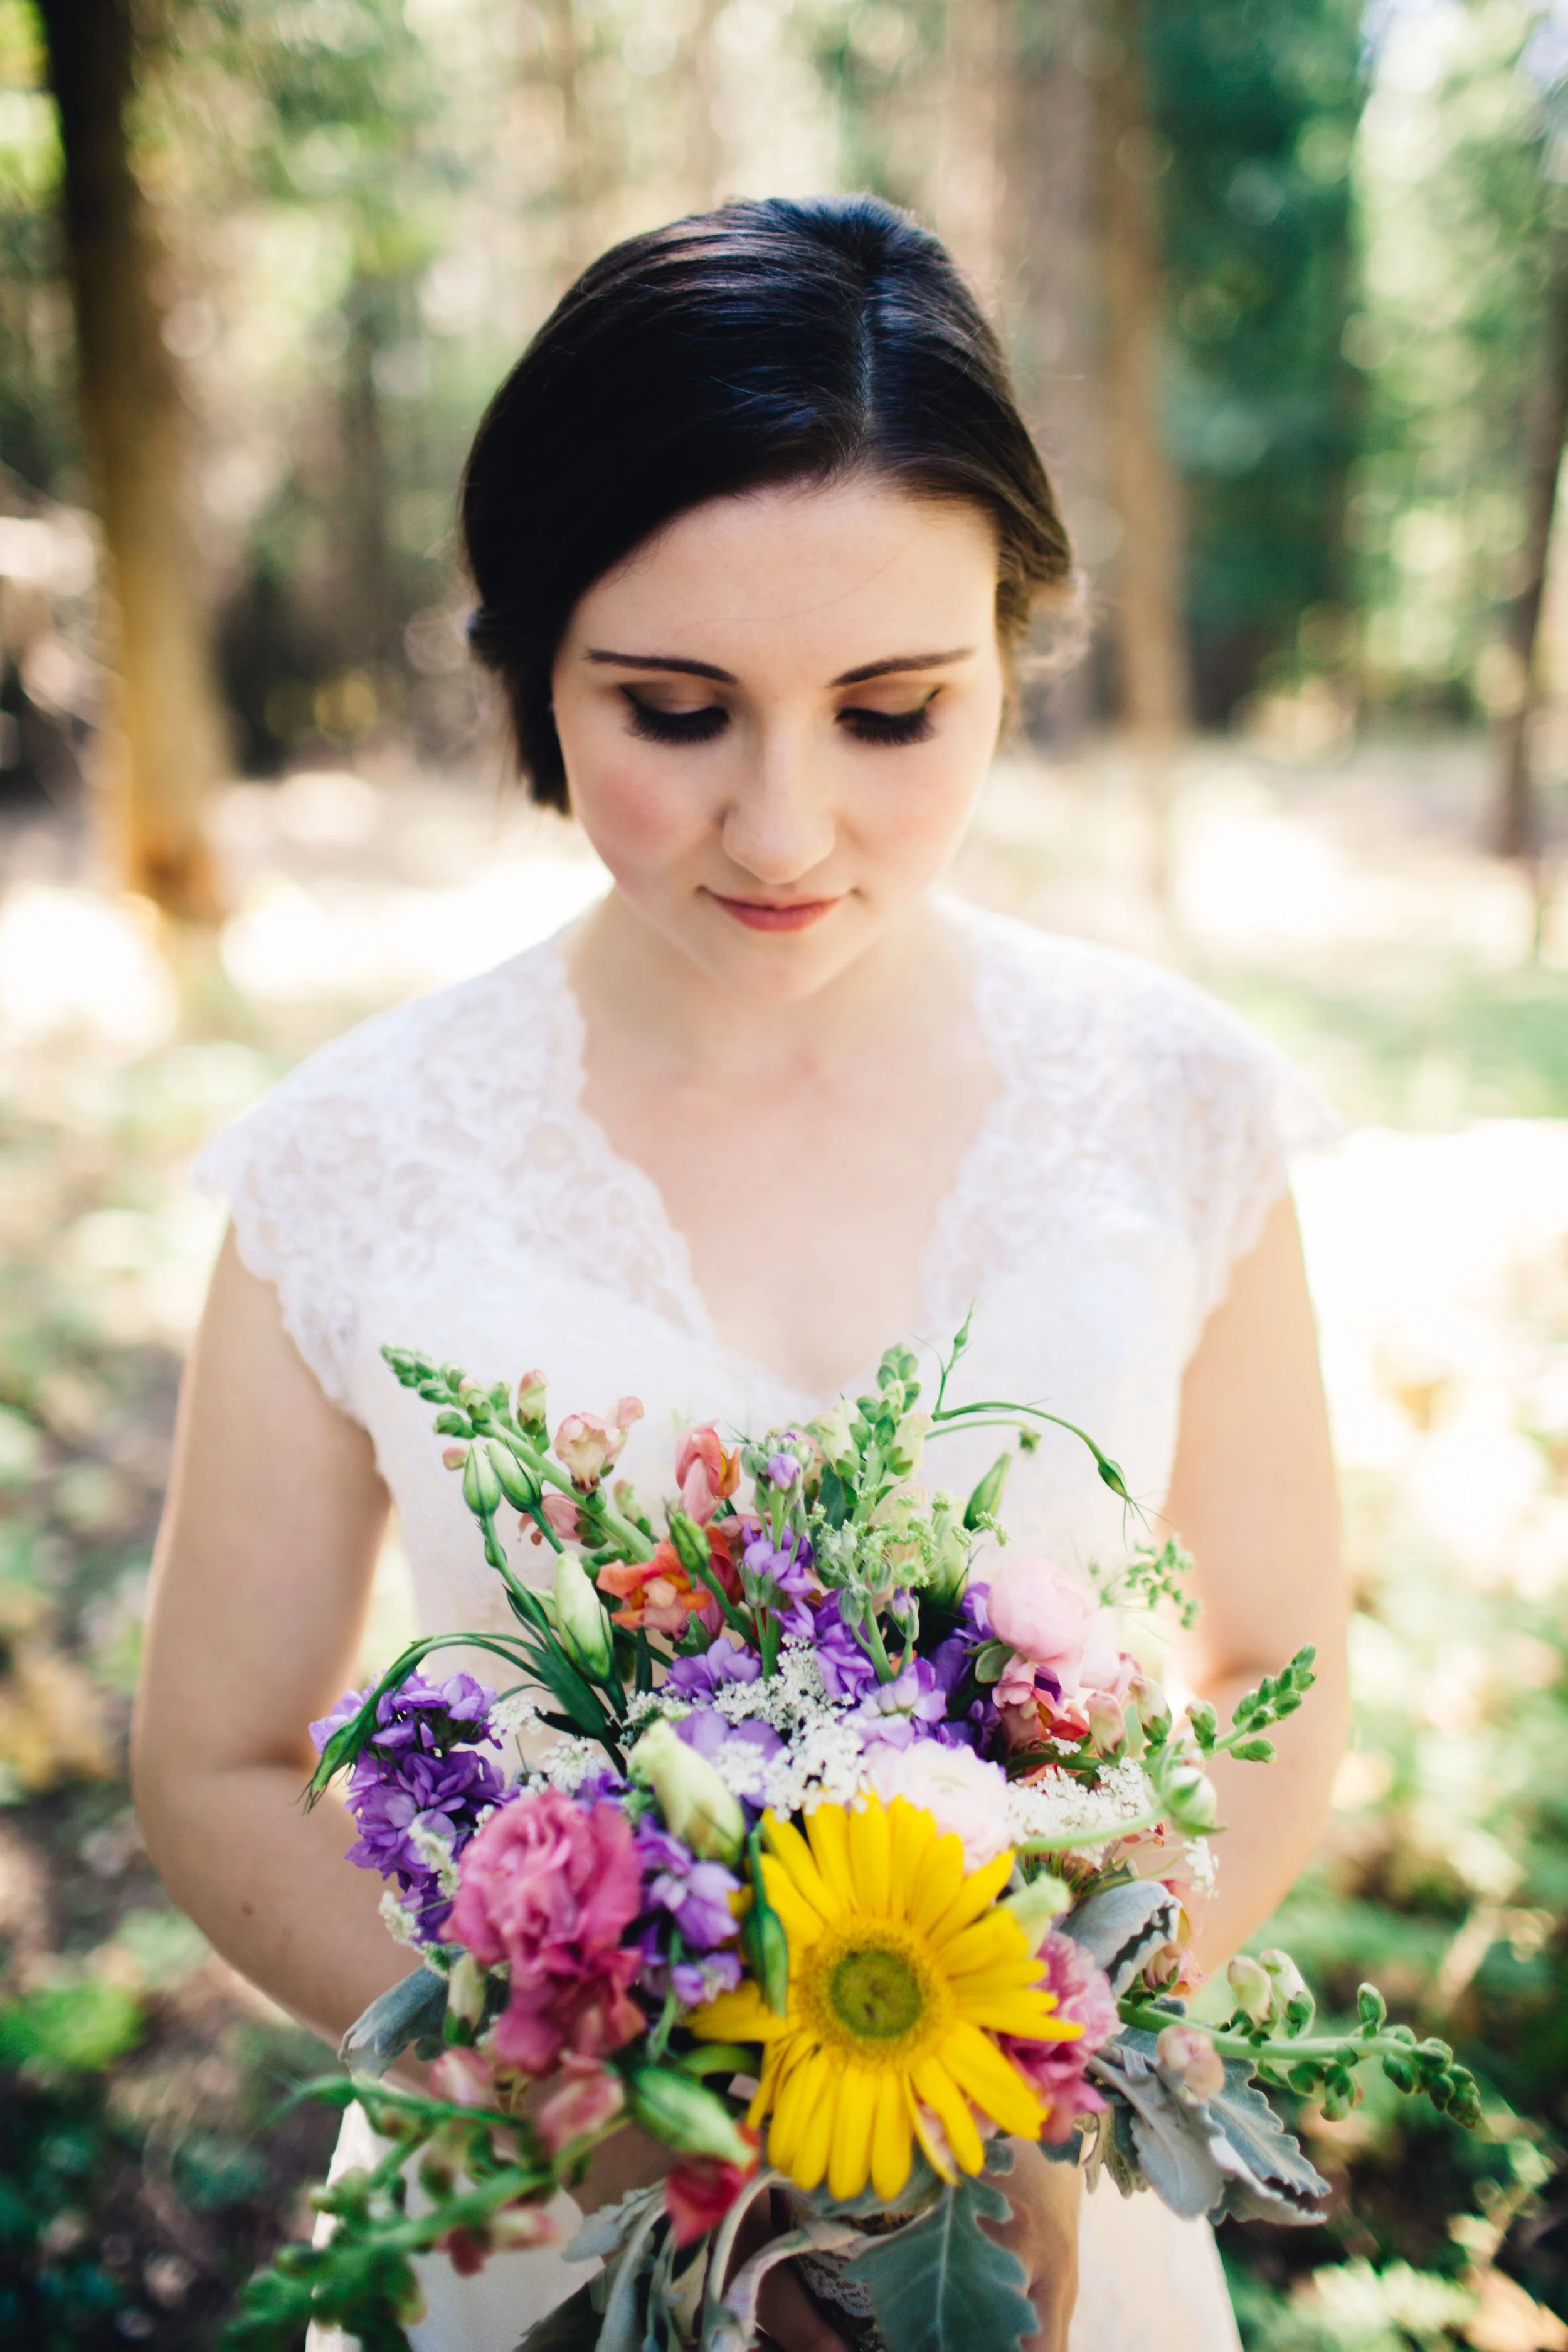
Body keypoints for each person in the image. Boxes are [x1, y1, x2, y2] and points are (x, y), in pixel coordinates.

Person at [132, 195, 1348, 2352]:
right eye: (675, 709)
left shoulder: (1171, 1102)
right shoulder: (354, 1156)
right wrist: (605, 2117)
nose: (783, 828)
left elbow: (1274, 1660)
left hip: (1030, 2210)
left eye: (892, 712)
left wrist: (1022, 2103)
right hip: (533, 2215)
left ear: (1009, 651)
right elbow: (219, 1757)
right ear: (531, 662)